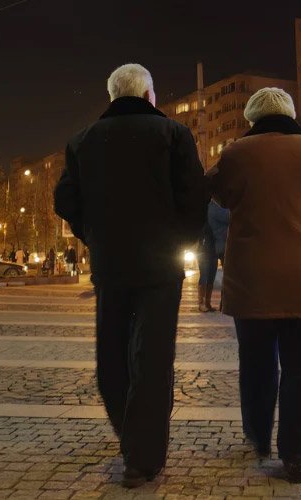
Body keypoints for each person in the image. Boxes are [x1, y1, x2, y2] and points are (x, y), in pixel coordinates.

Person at [53, 63, 208, 488]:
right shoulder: (174, 135)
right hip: (160, 266)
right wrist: (180, 239)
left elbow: (66, 200)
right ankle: (142, 456)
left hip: (110, 264)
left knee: (112, 354)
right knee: (153, 357)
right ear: (148, 94)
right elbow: (195, 195)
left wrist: (94, 235)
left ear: (112, 95)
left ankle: (130, 436)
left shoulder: (82, 141)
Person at [208, 88, 301, 484]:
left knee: (256, 365)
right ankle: (298, 456)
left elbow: (215, 196)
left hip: (252, 282)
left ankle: (258, 436)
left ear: (252, 119)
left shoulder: (236, 154)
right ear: (292, 115)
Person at [196, 201, 230, 313]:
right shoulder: (213, 208)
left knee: (211, 276)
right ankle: (202, 303)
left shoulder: (213, 209)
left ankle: (207, 303)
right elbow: (228, 216)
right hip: (205, 249)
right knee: (205, 275)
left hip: (213, 248)